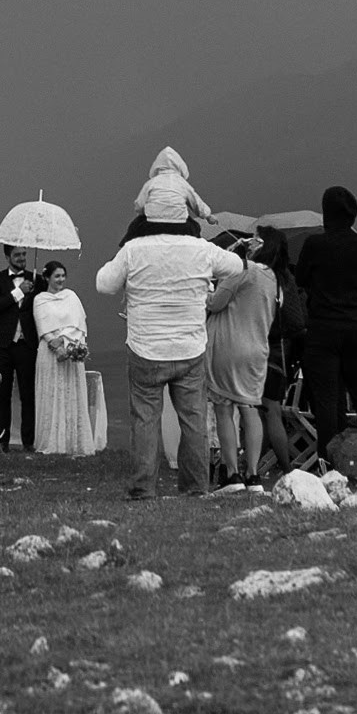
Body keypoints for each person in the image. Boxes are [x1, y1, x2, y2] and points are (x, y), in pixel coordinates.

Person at [96, 214, 245, 500]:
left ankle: (143, 487)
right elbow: (236, 267)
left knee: (145, 419)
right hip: (190, 347)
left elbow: (104, 283)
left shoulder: (134, 248)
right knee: (194, 420)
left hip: (146, 348)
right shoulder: (199, 247)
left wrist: (126, 254)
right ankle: (195, 486)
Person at [293, 187, 357, 465]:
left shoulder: (316, 244)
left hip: (323, 328)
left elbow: (301, 278)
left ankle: (329, 462)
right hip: (354, 327)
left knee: (327, 399)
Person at [205, 231, 278, 487]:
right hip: (257, 350)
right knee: (250, 409)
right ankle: (254, 473)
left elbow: (214, 304)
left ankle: (232, 473)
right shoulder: (271, 277)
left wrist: (205, 287)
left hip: (228, 347)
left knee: (224, 410)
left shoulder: (237, 273)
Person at [28, 261, 95, 456]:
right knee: (51, 392)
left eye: (63, 276)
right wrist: (53, 343)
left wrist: (65, 342)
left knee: (70, 393)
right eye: (56, 276)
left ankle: (72, 441)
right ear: (47, 278)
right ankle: (51, 441)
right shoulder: (40, 299)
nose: (60, 280)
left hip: (70, 351)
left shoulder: (71, 296)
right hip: (50, 354)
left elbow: (78, 323)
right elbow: (42, 324)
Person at [255, 228, 305, 480]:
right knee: (265, 412)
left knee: (266, 412)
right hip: (277, 355)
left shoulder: (255, 275)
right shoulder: (285, 278)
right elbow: (297, 323)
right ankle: (254, 468)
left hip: (262, 351)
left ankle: (284, 469)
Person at [0, 244, 41, 452]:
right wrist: (19, 291)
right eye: (17, 255)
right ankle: (3, 441)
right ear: (7, 256)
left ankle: (28, 441)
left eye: (24, 254)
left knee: (28, 394)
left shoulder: (36, 280)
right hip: (3, 345)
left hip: (27, 344)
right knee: (3, 394)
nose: (21, 258)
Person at [133, 145, 213, 228]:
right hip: (179, 222)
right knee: (194, 227)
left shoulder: (151, 183)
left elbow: (139, 204)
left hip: (153, 223)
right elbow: (196, 202)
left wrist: (141, 214)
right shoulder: (181, 183)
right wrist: (208, 216)